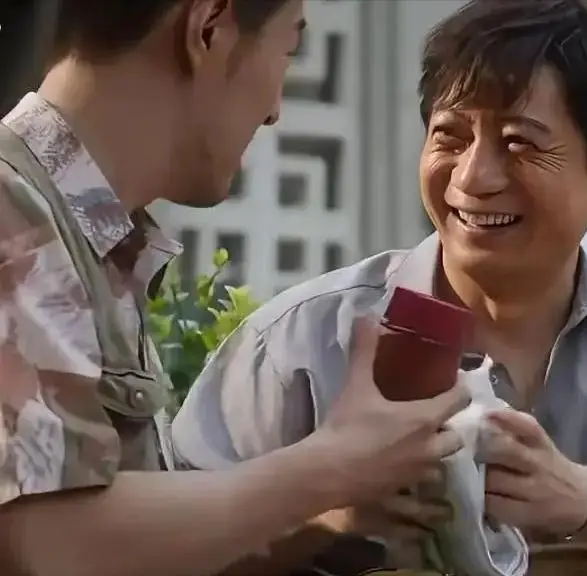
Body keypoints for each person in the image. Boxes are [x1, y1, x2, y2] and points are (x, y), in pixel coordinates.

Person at [172, 0, 587, 575]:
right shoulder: (301, 341)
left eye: (518, 144)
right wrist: (327, 511)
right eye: (449, 137)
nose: (471, 178)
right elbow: (158, 552)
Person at [0, 2, 469, 576]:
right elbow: (50, 540)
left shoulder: (84, 237)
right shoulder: (12, 215)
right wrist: (328, 468)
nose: (274, 110)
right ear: (208, 27)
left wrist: (320, 515)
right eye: (287, 49)